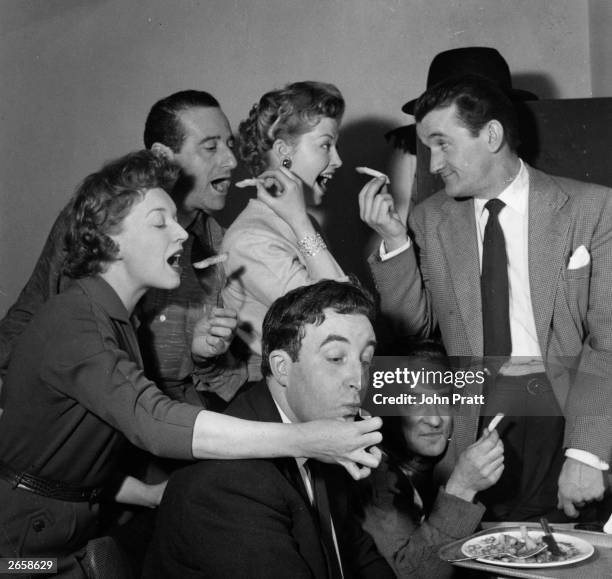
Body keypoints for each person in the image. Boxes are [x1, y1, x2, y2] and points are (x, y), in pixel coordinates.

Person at [0, 152, 382, 574]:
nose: (182, 233)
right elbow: (154, 422)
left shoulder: (120, 323)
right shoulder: (73, 319)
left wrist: (149, 495)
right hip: (17, 544)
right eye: (160, 221)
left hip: (64, 529)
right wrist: (307, 438)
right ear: (111, 239)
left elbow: (76, 450)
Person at [359, 75, 612, 521]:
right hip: (473, 423)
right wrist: (394, 241)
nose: (433, 163)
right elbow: (413, 332)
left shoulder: (593, 209)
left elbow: (608, 340)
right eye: (426, 147)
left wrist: (588, 453)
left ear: (491, 135)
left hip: (567, 416)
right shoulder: (429, 218)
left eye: (443, 144)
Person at [0, 90, 244, 408]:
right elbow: (76, 343)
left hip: (152, 412)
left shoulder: (216, 243)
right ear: (163, 157)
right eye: (210, 147)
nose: (231, 160)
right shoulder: (102, 221)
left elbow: (207, 374)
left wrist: (202, 355)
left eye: (230, 145)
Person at [143, 279, 394, 579]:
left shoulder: (326, 439)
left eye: (365, 360)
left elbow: (358, 557)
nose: (359, 380)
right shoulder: (229, 487)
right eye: (336, 358)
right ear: (282, 367)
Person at [222, 81, 347, 381]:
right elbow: (336, 318)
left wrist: (301, 221)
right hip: (276, 393)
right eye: (326, 145)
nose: (338, 160)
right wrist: (301, 221)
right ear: (283, 152)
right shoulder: (249, 239)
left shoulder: (298, 224)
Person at [359, 343, 504, 578]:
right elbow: (412, 574)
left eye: (444, 400)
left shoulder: (430, 471)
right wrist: (462, 488)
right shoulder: (375, 477)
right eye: (415, 401)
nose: (435, 420)